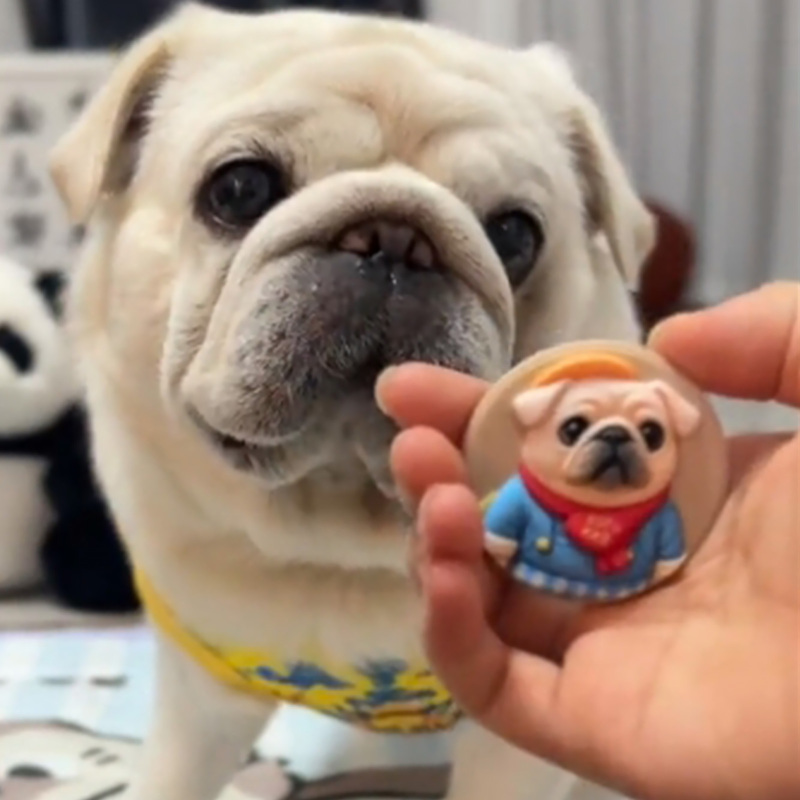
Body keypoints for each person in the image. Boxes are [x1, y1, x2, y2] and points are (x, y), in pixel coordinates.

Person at [375, 282, 799, 800]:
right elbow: (501, 530)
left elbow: (668, 552)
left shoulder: (664, 517)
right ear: (532, 427)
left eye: (650, 434)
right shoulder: (519, 498)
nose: (616, 442)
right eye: (574, 428)